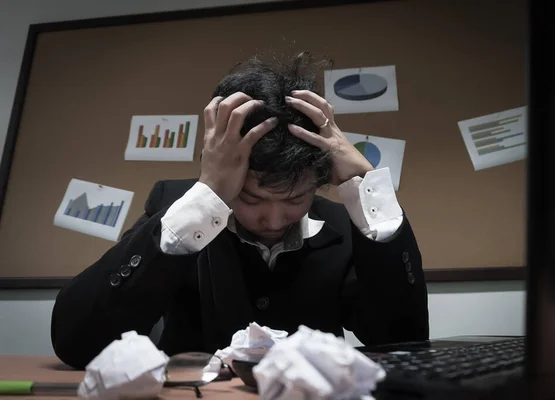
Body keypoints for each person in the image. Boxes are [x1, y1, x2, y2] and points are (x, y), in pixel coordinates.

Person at [51, 54, 429, 369]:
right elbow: (77, 342)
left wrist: (368, 190)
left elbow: (402, 343)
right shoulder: (177, 208)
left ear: (318, 180)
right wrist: (207, 195)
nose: (275, 220)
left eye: (296, 199)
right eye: (251, 200)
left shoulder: (342, 225)